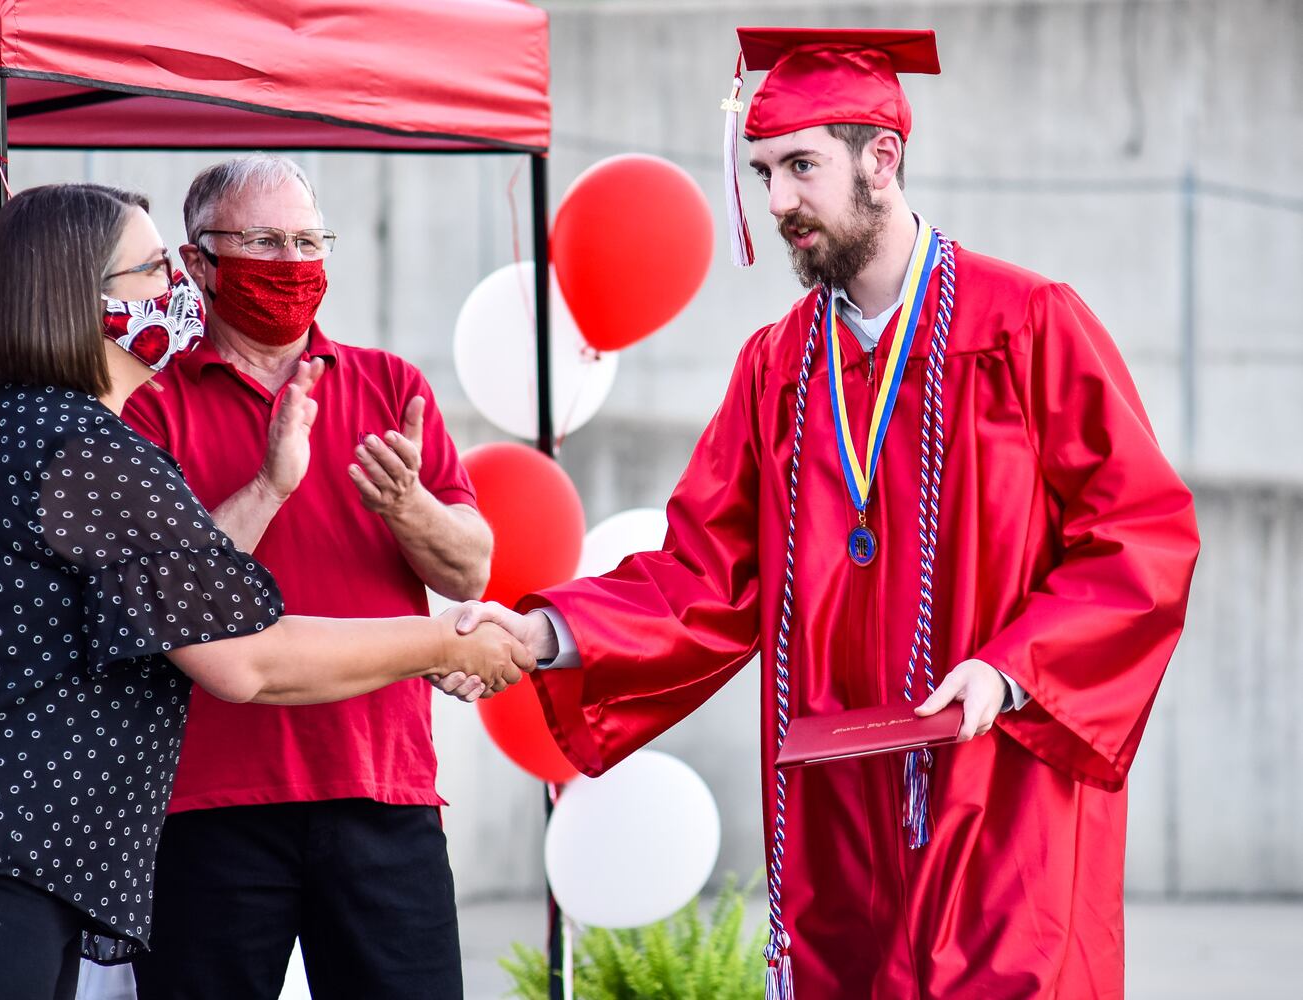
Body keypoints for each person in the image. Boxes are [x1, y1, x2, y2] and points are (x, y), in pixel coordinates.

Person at [458, 27, 1200, 999]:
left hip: (998, 798)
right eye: (762, 171)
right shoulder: (776, 366)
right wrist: (549, 629)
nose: (775, 203)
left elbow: (1138, 533)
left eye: (799, 167)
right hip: (833, 813)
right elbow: (700, 571)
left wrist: (1009, 670)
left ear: (880, 159)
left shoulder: (1022, 325)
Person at [0, 183, 529, 1000]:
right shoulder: (87, 450)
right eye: (156, 271)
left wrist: (279, 489)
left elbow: (168, 598)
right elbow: (247, 661)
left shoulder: (4, 429)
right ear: (84, 299)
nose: (178, 292)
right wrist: (451, 640)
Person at [122, 155, 491, 1000]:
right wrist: (266, 486)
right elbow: (162, 602)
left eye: (306, 240)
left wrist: (409, 507)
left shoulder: (391, 385)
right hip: (207, 805)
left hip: (382, 788)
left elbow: (470, 569)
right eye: (262, 241)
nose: (290, 264)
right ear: (197, 263)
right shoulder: (151, 409)